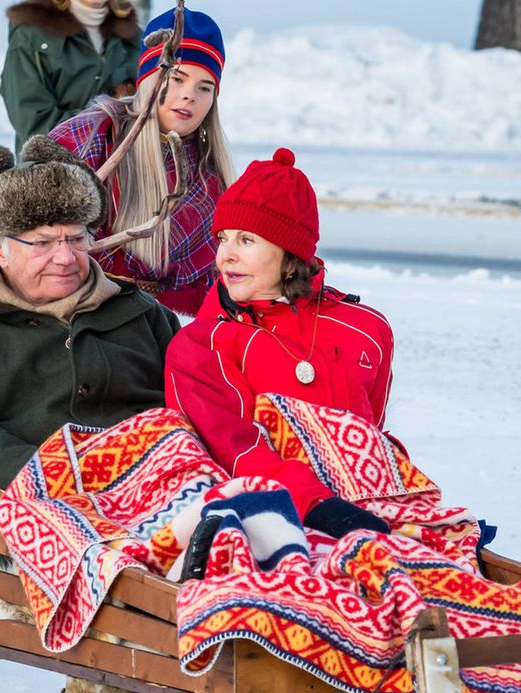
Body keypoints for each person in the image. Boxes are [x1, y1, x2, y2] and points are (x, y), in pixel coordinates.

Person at [0, 134, 180, 492]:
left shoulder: (144, 314)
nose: (65, 258)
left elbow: (193, 406)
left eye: (77, 239)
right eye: (42, 243)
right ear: (0, 251)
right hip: (40, 502)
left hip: (164, 486)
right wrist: (77, 477)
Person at [164, 147, 394, 540]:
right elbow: (231, 451)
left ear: (290, 252)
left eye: (246, 240)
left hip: (365, 509)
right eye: (222, 239)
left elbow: (372, 438)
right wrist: (318, 505)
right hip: (261, 522)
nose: (226, 255)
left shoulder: (366, 330)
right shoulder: (201, 343)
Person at [49, 6, 234, 315]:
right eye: (177, 78)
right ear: (150, 77)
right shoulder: (92, 136)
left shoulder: (210, 179)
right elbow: (43, 238)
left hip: (174, 325)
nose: (189, 95)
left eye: (205, 87)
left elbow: (218, 283)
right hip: (79, 310)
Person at [0, 0, 142, 154]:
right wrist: (108, 116)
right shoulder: (30, 35)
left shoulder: (134, 39)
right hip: (53, 166)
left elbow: (151, 116)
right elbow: (33, 123)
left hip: (122, 166)